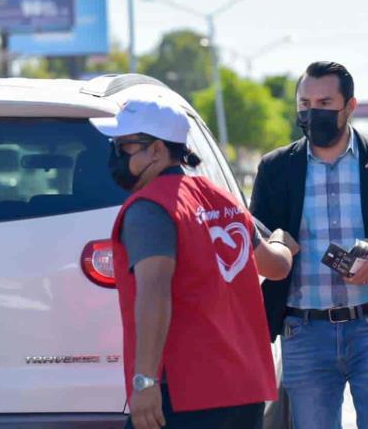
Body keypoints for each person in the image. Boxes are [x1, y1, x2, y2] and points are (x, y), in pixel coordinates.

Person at [91, 96, 299, 429]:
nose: (116, 154)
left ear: (157, 150)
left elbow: (155, 293)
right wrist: (280, 241)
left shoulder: (151, 209)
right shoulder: (222, 200)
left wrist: (144, 382)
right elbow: (276, 266)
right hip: (242, 391)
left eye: (124, 145)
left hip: (187, 394)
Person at [251, 61, 368, 428]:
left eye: (324, 102)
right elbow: (256, 251)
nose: (312, 112)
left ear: (350, 106)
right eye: (305, 103)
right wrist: (273, 245)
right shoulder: (275, 169)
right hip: (303, 332)